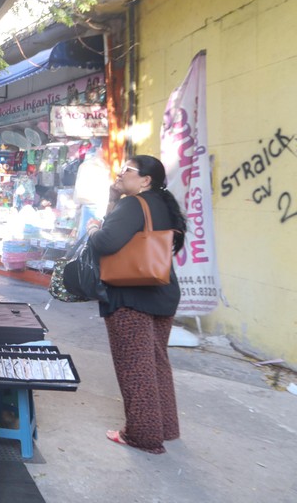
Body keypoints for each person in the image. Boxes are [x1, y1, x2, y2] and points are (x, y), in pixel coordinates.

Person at [87, 155, 186, 454]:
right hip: (162, 290)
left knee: (136, 369)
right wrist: (113, 196)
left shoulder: (133, 204)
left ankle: (143, 436)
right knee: (156, 364)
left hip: (132, 295)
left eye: (126, 170)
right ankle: (166, 428)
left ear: (145, 180)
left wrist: (92, 229)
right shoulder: (164, 205)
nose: (119, 173)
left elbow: (106, 242)